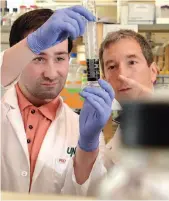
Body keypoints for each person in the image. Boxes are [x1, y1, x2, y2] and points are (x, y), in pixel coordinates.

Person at [1, 7, 114, 195]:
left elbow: (92, 195)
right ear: (18, 56)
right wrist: (31, 44)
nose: (51, 74)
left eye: (60, 58)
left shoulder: (83, 129)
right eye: (38, 58)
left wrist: (87, 146)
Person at [99, 29, 158, 165]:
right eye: (112, 67)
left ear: (153, 71)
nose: (122, 75)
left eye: (132, 62)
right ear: (105, 81)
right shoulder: (111, 141)